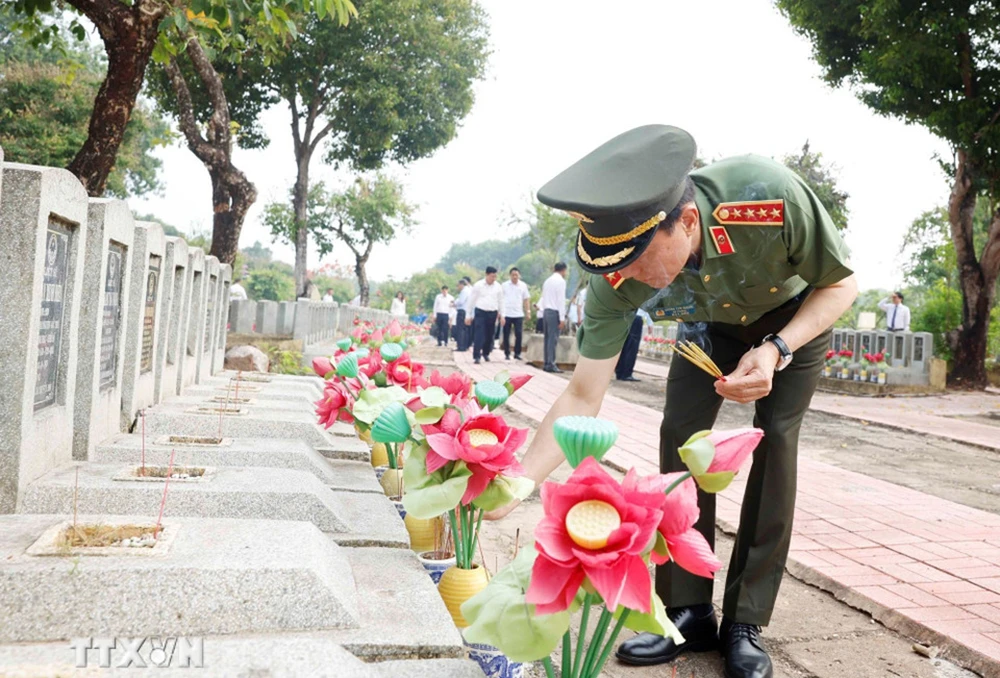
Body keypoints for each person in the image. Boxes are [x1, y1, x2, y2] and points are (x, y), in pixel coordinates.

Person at [486, 125, 857, 678]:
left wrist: (777, 350)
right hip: (707, 322)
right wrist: (518, 482)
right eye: (615, 265)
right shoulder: (616, 277)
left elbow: (842, 285)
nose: (625, 278)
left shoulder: (766, 195)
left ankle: (745, 621)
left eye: (637, 261)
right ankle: (687, 610)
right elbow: (583, 392)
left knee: (775, 442)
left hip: (792, 320)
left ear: (686, 223)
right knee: (680, 436)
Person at [465, 266, 504, 365]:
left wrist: (502, 315)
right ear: (486, 275)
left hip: (492, 312)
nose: (493, 279)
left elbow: (501, 302)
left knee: (490, 334)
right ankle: (477, 356)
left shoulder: (498, 287)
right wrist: (468, 315)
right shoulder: (478, 285)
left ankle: (486, 353)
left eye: (495, 276)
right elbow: (471, 301)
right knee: (479, 334)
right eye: (492, 276)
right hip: (480, 312)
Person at [541, 262, 568, 372]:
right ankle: (551, 364)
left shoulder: (547, 281)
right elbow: (560, 300)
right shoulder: (560, 281)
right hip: (554, 312)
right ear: (563, 270)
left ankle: (547, 362)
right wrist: (562, 318)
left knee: (547, 338)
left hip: (546, 311)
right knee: (553, 339)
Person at [501, 267, 531, 360]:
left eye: (516, 275)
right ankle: (507, 353)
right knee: (506, 334)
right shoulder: (504, 285)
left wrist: (528, 311)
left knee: (519, 334)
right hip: (507, 313)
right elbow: (500, 299)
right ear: (510, 275)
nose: (515, 277)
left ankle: (517, 353)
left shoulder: (523, 286)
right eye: (513, 275)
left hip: (518, 314)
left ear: (519, 275)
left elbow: (526, 299)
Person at [614, 308, 647, 382]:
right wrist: (650, 322)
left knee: (623, 345)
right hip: (636, 317)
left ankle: (619, 372)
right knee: (632, 347)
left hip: (624, 315)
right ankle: (626, 373)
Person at [454, 278, 472, 351]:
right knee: (465, 330)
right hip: (467, 311)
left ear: (462, 284)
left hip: (462, 311)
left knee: (461, 329)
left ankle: (461, 346)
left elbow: (461, 301)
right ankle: (465, 346)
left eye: (458, 285)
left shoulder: (464, 291)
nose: (458, 287)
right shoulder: (469, 290)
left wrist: (454, 303)